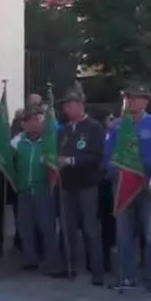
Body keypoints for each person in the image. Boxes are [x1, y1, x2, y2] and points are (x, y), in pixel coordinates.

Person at [106, 82, 151, 295]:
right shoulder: (117, 126)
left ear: (146, 101)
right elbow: (108, 155)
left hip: (149, 187)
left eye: (138, 97)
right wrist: (114, 171)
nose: (133, 101)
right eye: (129, 97)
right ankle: (127, 276)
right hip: (123, 186)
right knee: (123, 235)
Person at [55, 84, 106, 283]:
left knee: (90, 227)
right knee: (67, 227)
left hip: (87, 184)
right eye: (65, 106)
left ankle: (97, 270)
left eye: (70, 106)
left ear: (80, 106)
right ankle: (68, 266)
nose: (66, 110)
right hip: (67, 184)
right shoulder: (63, 130)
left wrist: (71, 160)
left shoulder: (94, 127)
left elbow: (95, 156)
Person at [12, 104, 59, 274]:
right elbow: (8, 159)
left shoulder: (50, 141)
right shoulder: (18, 141)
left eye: (36, 120)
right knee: (25, 226)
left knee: (46, 226)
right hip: (24, 190)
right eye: (28, 121)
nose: (32, 124)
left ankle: (51, 260)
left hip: (44, 190)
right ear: (23, 124)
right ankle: (30, 258)